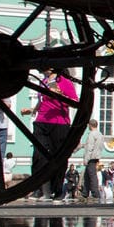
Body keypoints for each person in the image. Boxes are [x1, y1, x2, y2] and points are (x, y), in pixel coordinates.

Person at [25, 68, 79, 202]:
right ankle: (38, 187)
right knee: (38, 155)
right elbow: (42, 100)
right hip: (41, 121)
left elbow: (75, 102)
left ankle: (58, 190)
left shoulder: (65, 82)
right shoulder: (43, 81)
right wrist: (33, 109)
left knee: (59, 156)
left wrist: (61, 94)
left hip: (60, 123)